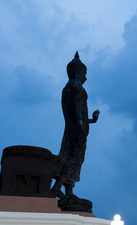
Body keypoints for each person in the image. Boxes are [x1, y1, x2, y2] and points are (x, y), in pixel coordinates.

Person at [52, 51, 100, 200]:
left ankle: (68, 191)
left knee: (71, 156)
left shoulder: (70, 86)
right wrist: (80, 127)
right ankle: (57, 187)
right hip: (76, 129)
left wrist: (91, 120)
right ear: (77, 71)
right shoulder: (75, 85)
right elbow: (75, 109)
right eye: (84, 73)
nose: (85, 77)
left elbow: (78, 112)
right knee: (76, 158)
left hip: (74, 127)